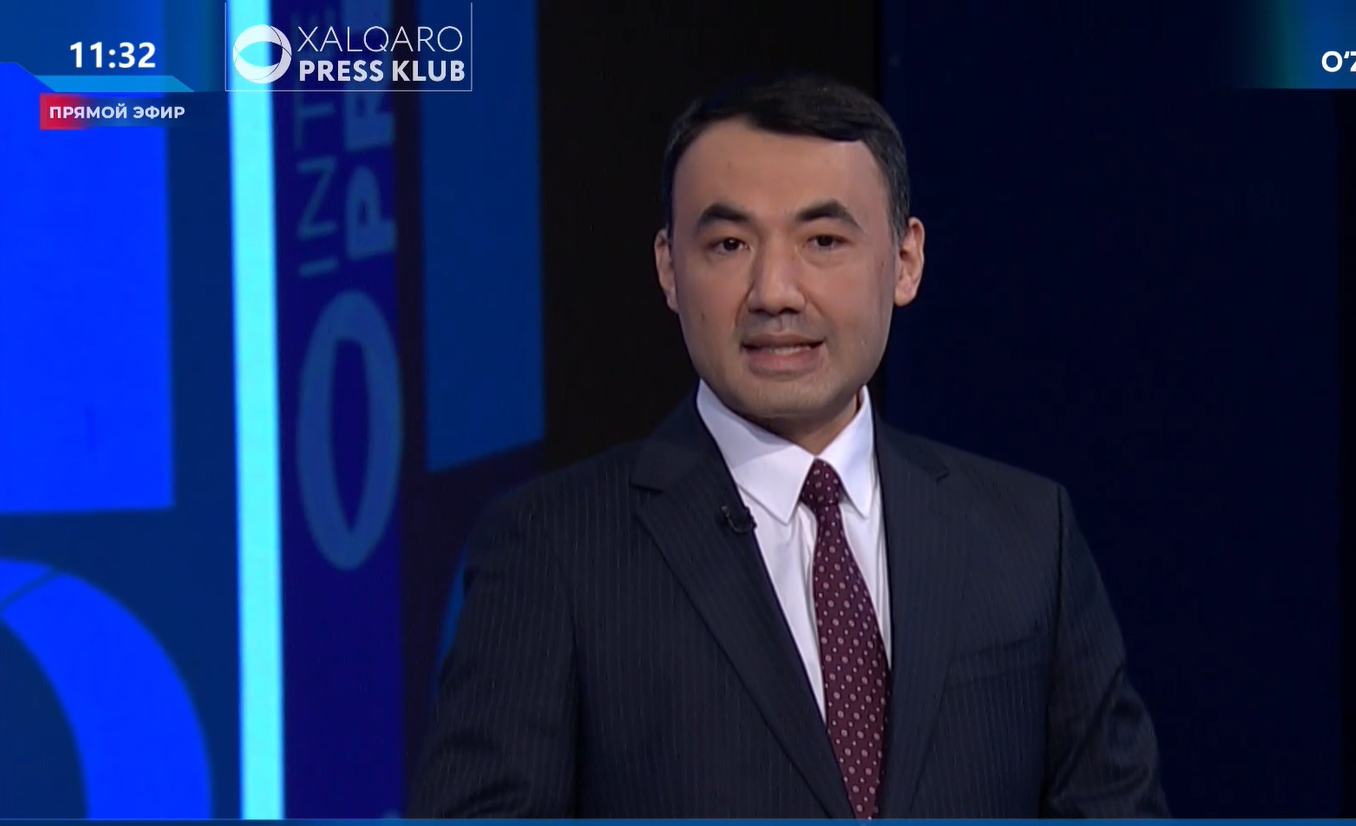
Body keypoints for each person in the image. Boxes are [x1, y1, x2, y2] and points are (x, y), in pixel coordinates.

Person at [407, 74, 1168, 819]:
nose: (774, 291)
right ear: (670, 268)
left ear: (905, 262)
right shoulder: (555, 547)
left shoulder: (1028, 536)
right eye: (729, 244)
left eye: (823, 241)